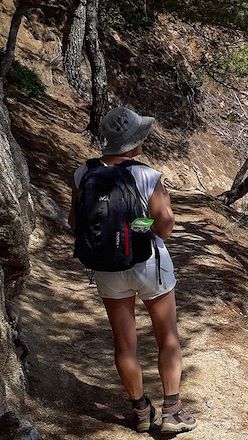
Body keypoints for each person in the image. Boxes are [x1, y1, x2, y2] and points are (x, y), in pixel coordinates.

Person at [68, 107, 197, 434]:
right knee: (167, 337)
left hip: (108, 269)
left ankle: (140, 411)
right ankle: (172, 411)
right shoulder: (148, 176)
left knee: (124, 344)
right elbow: (165, 227)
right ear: (133, 141)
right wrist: (139, 226)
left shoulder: (83, 174)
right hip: (148, 265)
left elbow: (75, 223)